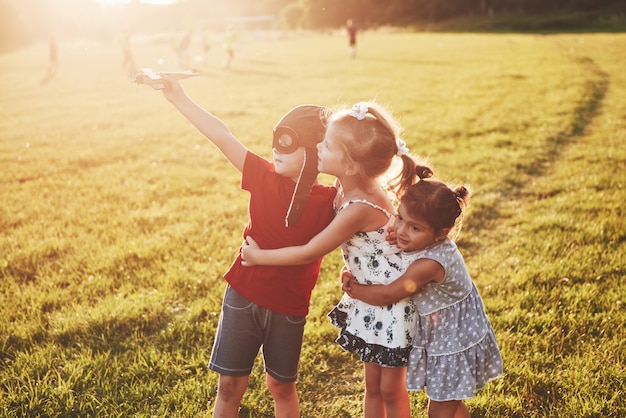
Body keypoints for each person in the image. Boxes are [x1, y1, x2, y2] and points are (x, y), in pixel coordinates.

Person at [155, 77, 337, 418]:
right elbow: (222, 135)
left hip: (289, 305)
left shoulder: (331, 200)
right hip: (244, 295)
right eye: (276, 143)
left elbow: (365, 186)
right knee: (229, 387)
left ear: (316, 152)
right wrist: (178, 98)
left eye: (288, 144)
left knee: (281, 387)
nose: (276, 151)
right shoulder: (263, 176)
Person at [242, 101, 420, 418]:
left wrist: (259, 257)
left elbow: (310, 250)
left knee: (391, 389)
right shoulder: (346, 185)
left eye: (327, 144)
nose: (318, 145)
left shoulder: (360, 206)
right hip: (371, 296)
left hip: (392, 300)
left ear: (350, 166)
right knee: (373, 387)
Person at [342, 169, 503, 418]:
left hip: (455, 338)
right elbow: (380, 260)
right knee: (448, 400)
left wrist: (356, 290)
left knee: (439, 410)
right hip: (439, 334)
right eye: (400, 218)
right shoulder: (415, 240)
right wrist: (351, 269)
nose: (402, 230)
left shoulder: (429, 263)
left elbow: (388, 294)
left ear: (440, 234)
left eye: (415, 227)